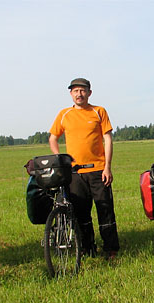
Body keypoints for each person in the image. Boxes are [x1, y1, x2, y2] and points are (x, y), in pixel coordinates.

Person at [49, 78, 120, 259]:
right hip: (75, 173)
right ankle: (88, 249)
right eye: (75, 91)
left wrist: (107, 167)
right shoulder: (64, 114)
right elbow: (53, 138)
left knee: (105, 210)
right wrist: (61, 160)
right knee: (81, 215)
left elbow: (108, 139)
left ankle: (110, 249)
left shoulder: (99, 111)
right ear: (70, 94)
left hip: (98, 170)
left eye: (82, 90)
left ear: (89, 93)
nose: (79, 94)